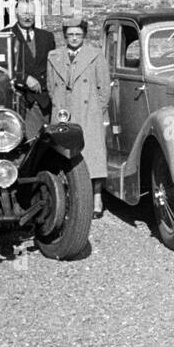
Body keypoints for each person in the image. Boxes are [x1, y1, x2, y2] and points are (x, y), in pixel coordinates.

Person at [47, 20, 110, 218]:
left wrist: (96, 109)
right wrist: (60, 104)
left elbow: (104, 88)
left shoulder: (95, 55)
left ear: (83, 36)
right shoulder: (54, 56)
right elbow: (50, 87)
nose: (74, 38)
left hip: (88, 112)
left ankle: (97, 199)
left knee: (93, 156)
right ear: (65, 36)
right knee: (62, 154)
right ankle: (68, 199)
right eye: (70, 35)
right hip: (64, 112)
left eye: (78, 35)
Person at [9, 0, 55, 138]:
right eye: (24, 13)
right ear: (16, 14)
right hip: (21, 99)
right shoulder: (7, 36)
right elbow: (3, 68)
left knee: (47, 143)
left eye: (30, 13)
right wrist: (24, 78)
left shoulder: (47, 37)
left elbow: (53, 66)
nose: (27, 17)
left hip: (45, 99)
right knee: (26, 142)